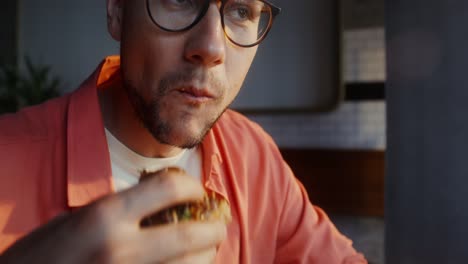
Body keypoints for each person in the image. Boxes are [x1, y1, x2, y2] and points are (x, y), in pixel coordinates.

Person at [0, 0, 367, 263]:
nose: (211, 47)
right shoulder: (7, 158)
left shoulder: (253, 155)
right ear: (117, 11)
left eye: (241, 11)